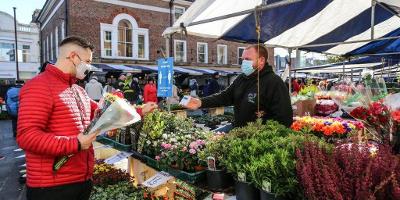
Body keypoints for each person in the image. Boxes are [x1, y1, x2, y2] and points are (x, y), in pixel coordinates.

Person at [17, 36, 157, 200]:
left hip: (81, 180)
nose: (89, 66)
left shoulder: (78, 90)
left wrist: (139, 111)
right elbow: (27, 136)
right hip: (51, 186)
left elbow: (104, 112)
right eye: (87, 61)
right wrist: (75, 143)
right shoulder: (38, 86)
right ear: (73, 56)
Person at [184, 45, 293, 127]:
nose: (244, 63)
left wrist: (263, 134)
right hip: (240, 137)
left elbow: (284, 118)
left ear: (261, 60)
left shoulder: (274, 82)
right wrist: (201, 102)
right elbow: (225, 96)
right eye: (243, 59)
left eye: (248, 59)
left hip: (261, 143)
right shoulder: (242, 78)